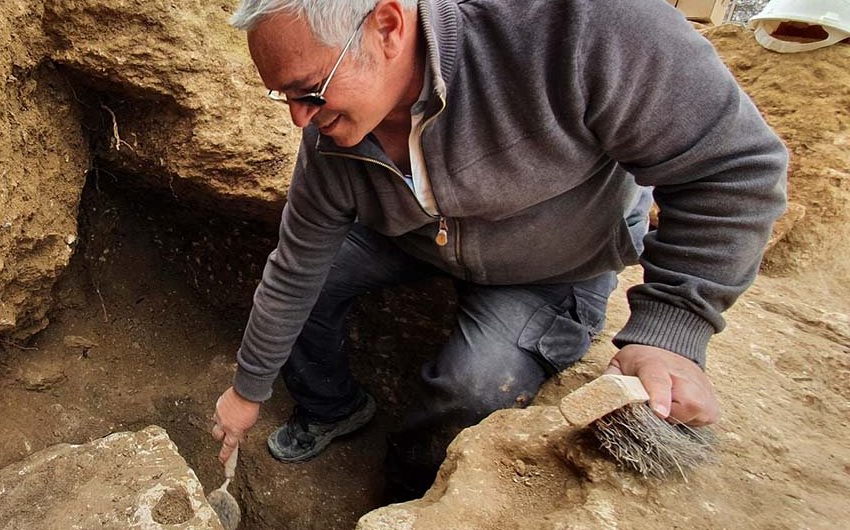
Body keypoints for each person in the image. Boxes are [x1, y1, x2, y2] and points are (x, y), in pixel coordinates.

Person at [208, 0, 788, 500]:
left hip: (555, 263)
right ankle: (334, 407)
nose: (298, 118)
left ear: (387, 26)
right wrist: (247, 391)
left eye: (308, 90)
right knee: (314, 288)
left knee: (471, 389)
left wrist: (669, 331)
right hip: (417, 238)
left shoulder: (579, 29)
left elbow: (733, 167)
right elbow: (294, 268)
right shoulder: (329, 140)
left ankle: (409, 497)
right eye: (282, 95)